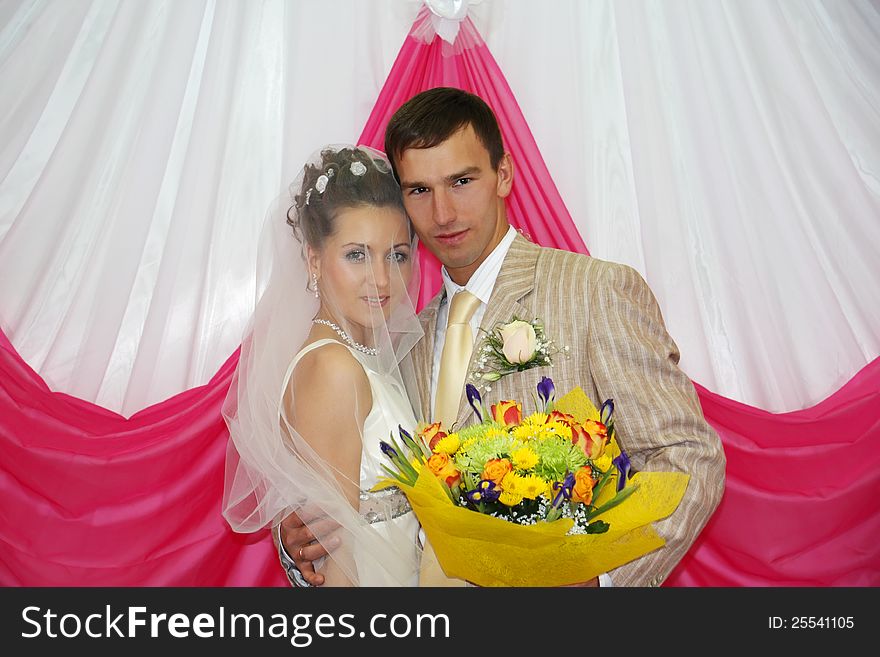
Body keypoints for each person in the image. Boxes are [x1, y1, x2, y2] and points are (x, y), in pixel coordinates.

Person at [282, 88, 726, 587]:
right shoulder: (405, 335)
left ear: (504, 175)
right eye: (420, 191)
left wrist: (598, 582)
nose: (443, 213)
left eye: (462, 181)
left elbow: (688, 456)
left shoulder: (595, 290)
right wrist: (305, 541)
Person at [222, 145, 425, 586]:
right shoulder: (334, 368)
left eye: (397, 254)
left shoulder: (359, 355)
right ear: (314, 259)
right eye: (357, 255)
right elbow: (337, 559)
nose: (383, 279)